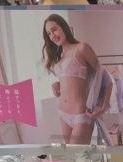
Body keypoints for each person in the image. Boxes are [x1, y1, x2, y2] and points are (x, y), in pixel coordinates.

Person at [43, 14, 112, 145]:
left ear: (64, 27)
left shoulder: (82, 48)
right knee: (71, 155)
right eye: (49, 34)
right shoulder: (60, 58)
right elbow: (72, 80)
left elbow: (105, 77)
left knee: (78, 155)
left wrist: (103, 106)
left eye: (54, 29)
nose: (52, 36)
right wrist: (58, 85)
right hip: (62, 113)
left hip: (81, 115)